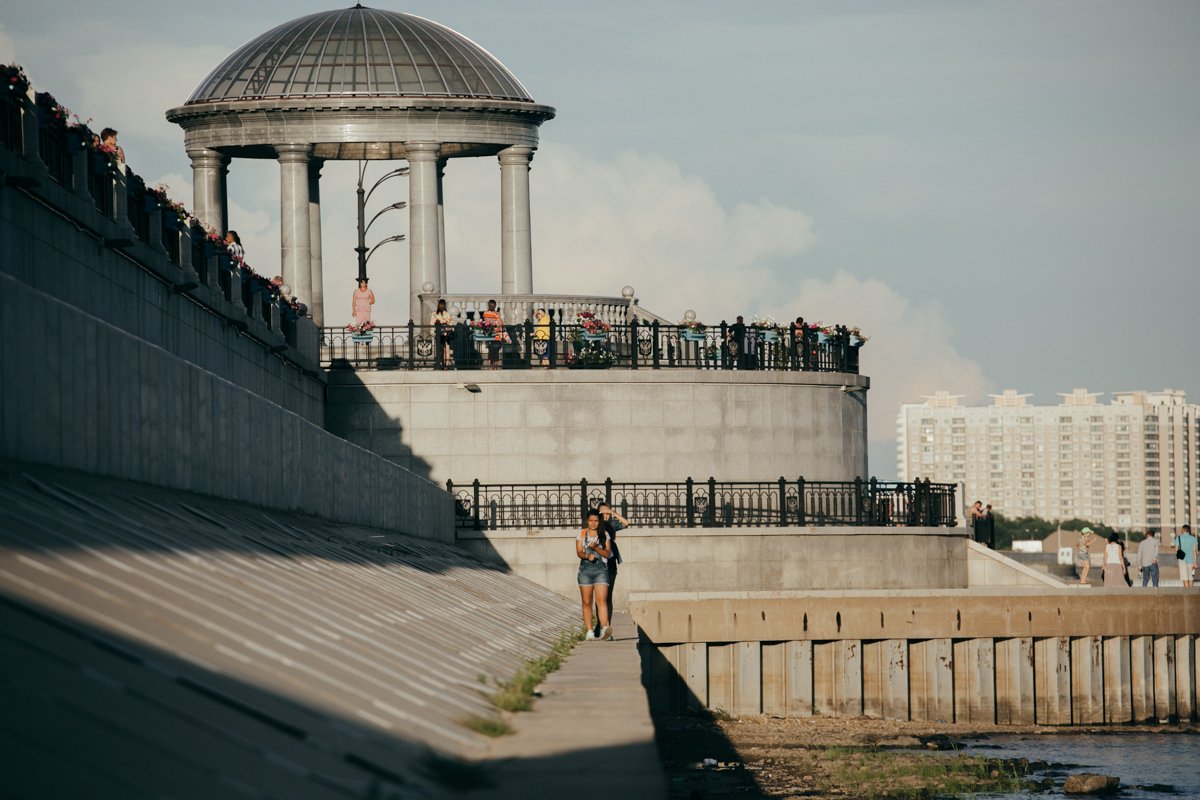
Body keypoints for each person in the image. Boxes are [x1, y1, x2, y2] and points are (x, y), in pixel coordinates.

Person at [576, 510, 613, 641]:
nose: (593, 523)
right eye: (591, 520)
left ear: (599, 521)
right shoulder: (581, 533)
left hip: (601, 571)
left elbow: (607, 554)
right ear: (587, 520)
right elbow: (579, 552)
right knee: (586, 602)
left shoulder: (605, 534)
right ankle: (589, 631)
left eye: (596, 521)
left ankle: (604, 629)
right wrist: (587, 555)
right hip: (585, 571)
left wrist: (597, 548)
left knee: (601, 600)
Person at [596, 502, 629, 632]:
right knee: (599, 597)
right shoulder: (595, 525)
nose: (606, 515)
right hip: (598, 564)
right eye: (603, 513)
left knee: (608, 596)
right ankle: (600, 623)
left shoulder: (611, 525)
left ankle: (606, 625)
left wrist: (613, 513)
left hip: (611, 564)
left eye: (607, 513)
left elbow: (626, 523)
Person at [431, 298, 454, 368]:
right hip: (444, 332)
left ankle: (442, 363)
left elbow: (432, 324)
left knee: (442, 348)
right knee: (446, 348)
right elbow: (450, 323)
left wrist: (432, 332)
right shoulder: (446, 314)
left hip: (440, 332)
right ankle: (446, 364)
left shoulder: (435, 314)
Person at [482, 299, 503, 369]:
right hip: (496, 333)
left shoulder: (485, 313)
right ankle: (495, 365)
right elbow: (500, 323)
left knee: (490, 349)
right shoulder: (497, 314)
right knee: (496, 349)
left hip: (489, 333)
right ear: (495, 306)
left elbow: (486, 321)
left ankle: (491, 365)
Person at [1176, 524, 1197, 588]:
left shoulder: (1179, 538)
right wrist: (1195, 562)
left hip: (1182, 560)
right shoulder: (1193, 538)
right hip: (1191, 560)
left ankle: (1187, 595)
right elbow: (1194, 551)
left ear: (1183, 530)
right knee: (1190, 578)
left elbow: (1176, 549)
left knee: (1185, 579)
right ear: (1188, 530)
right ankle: (1191, 594)